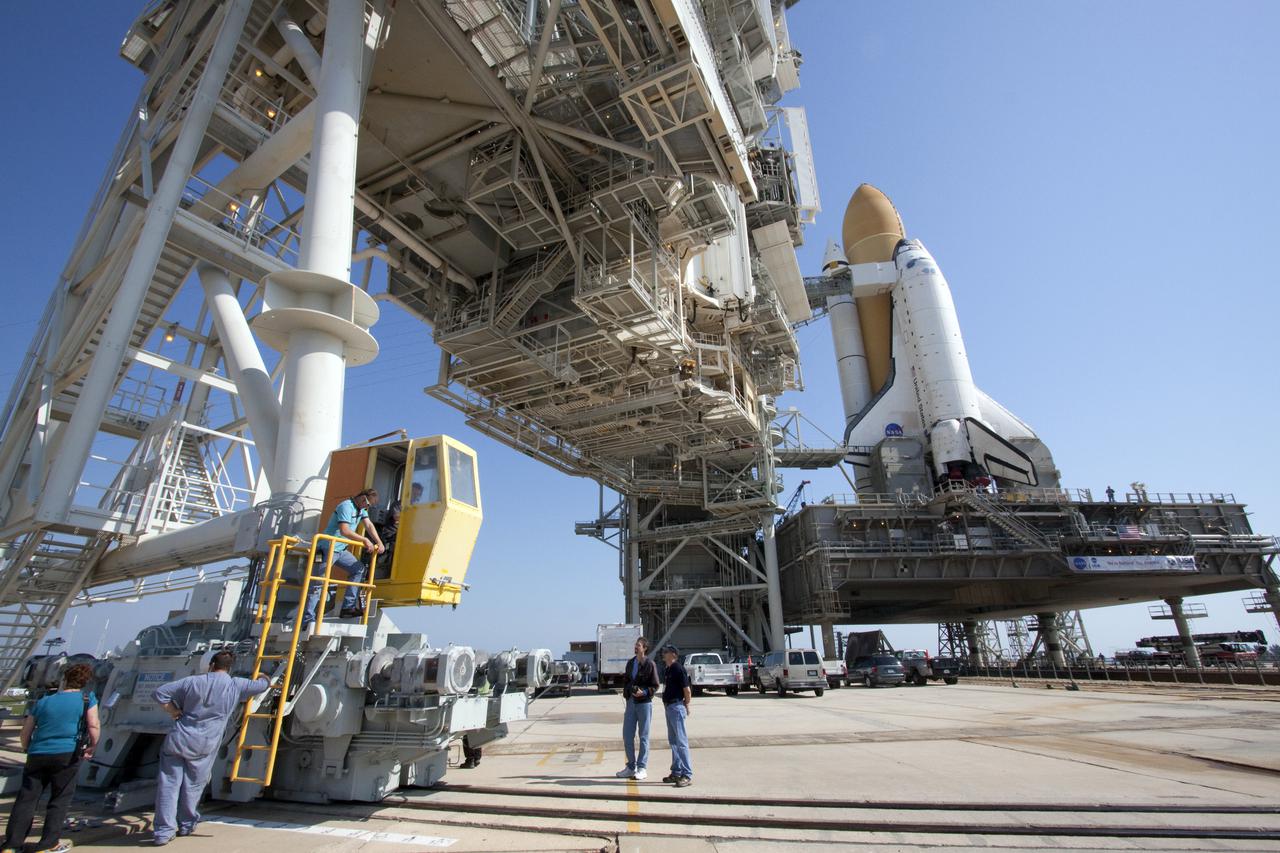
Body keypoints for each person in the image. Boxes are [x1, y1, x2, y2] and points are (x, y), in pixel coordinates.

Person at [151, 650, 269, 846]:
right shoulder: (235, 684)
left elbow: (159, 693)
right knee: (193, 785)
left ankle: (163, 832)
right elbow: (262, 685)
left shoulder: (192, 682)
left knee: (168, 785)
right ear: (229, 667)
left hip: (179, 738)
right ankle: (187, 824)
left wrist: (174, 711)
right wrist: (264, 676)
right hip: (205, 743)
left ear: (211, 665)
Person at [1, 663, 99, 853]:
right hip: (67, 754)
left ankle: (11, 844)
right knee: (59, 799)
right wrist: (93, 746)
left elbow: (26, 731)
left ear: (64, 679)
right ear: (86, 681)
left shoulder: (44, 701)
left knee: (26, 799)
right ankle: (48, 844)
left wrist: (27, 747)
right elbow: (93, 725)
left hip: (38, 753)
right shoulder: (87, 699)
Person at [302, 487, 385, 629]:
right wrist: (364, 540)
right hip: (325, 548)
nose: (367, 507)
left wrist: (379, 542)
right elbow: (344, 530)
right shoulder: (346, 506)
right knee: (318, 582)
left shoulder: (361, 510)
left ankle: (348, 607)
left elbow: (369, 525)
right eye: (367, 504)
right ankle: (307, 620)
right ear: (362, 499)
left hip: (340, 549)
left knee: (358, 569)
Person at [615, 637, 659, 781]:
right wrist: (627, 691)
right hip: (631, 703)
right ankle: (630, 767)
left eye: (638, 645)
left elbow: (655, 685)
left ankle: (642, 768)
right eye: (635, 645)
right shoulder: (630, 663)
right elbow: (627, 680)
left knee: (643, 737)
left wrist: (644, 692)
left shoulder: (650, 664)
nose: (636, 647)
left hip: (644, 703)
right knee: (627, 735)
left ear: (644, 648)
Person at [659, 646, 692, 788]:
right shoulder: (668, 670)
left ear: (673, 655)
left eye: (666, 652)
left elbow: (687, 690)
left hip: (676, 707)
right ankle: (676, 772)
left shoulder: (678, 668)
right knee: (673, 742)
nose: (663, 654)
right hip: (669, 707)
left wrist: (686, 704)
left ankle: (687, 774)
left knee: (681, 742)